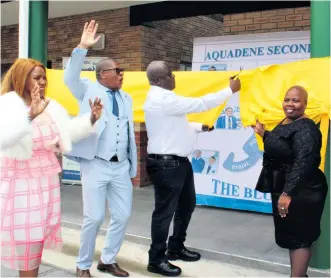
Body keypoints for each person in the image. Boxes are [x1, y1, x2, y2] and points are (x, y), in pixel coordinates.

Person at [0, 58, 102, 278]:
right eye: (37, 77)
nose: (43, 81)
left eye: (44, 77)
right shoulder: (8, 103)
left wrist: (90, 119)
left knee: (36, 239)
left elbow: (66, 133)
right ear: (22, 78)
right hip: (20, 182)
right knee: (27, 239)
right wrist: (29, 116)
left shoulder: (51, 105)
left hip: (45, 181)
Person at [143, 60, 241, 276]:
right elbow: (199, 104)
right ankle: (156, 259)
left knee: (186, 205)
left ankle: (175, 247)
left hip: (178, 162)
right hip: (167, 164)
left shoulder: (165, 100)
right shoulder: (162, 98)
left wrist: (199, 127)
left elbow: (175, 126)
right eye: (170, 74)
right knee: (164, 214)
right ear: (158, 80)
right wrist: (229, 90)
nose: (174, 77)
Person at [63, 20, 137, 278]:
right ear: (102, 73)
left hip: (120, 167)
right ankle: (83, 265)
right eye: (118, 70)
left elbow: (126, 132)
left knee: (122, 215)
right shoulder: (87, 90)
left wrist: (131, 165)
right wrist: (82, 47)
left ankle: (107, 259)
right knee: (93, 218)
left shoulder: (127, 97)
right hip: (95, 164)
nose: (122, 73)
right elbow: (69, 77)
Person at [252, 86, 328, 277]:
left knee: (300, 238)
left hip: (302, 189)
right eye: (287, 99)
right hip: (287, 186)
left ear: (305, 104)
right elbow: (284, 147)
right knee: (291, 235)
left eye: (295, 100)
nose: (290, 104)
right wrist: (264, 133)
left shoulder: (307, 128)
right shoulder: (286, 122)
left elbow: (303, 162)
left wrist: (287, 194)